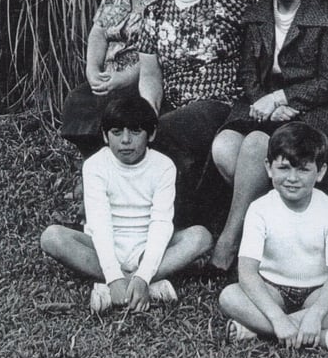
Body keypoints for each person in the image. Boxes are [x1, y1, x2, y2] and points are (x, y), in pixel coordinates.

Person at [210, 0, 328, 272]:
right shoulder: (257, 13)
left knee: (256, 145)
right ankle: (271, 234)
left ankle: (230, 243)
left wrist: (283, 98)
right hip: (265, 105)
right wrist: (267, 102)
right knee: (224, 146)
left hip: (317, 108)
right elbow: (248, 74)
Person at [40, 96, 213, 313]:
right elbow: (100, 224)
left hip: (147, 246)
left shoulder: (163, 166)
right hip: (103, 247)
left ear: (151, 134)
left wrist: (143, 275)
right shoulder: (95, 165)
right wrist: (113, 276)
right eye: (116, 132)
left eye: (135, 132)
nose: (125, 140)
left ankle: (131, 286)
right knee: (52, 237)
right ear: (105, 135)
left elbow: (161, 223)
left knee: (200, 237)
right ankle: (144, 287)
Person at [136, 0, 251, 231]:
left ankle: (178, 221)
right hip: (176, 105)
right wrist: (148, 113)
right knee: (141, 130)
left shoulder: (230, 1)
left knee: (165, 132)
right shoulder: (155, 11)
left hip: (221, 102)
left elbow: (260, 44)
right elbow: (150, 75)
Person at [218, 122, 328, 355]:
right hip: (272, 290)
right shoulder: (259, 209)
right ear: (269, 168)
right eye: (284, 168)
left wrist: (316, 314)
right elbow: (247, 272)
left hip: (315, 292)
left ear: (321, 172)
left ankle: (259, 331)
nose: (292, 178)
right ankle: (320, 337)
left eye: (303, 170)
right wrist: (277, 317)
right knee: (229, 297)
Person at [60, 0, 168, 158]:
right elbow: (99, 29)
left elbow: (163, 50)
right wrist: (93, 70)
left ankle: (121, 165)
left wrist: (124, 79)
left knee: (117, 109)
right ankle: (97, 163)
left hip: (143, 77)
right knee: (78, 101)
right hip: (110, 76)